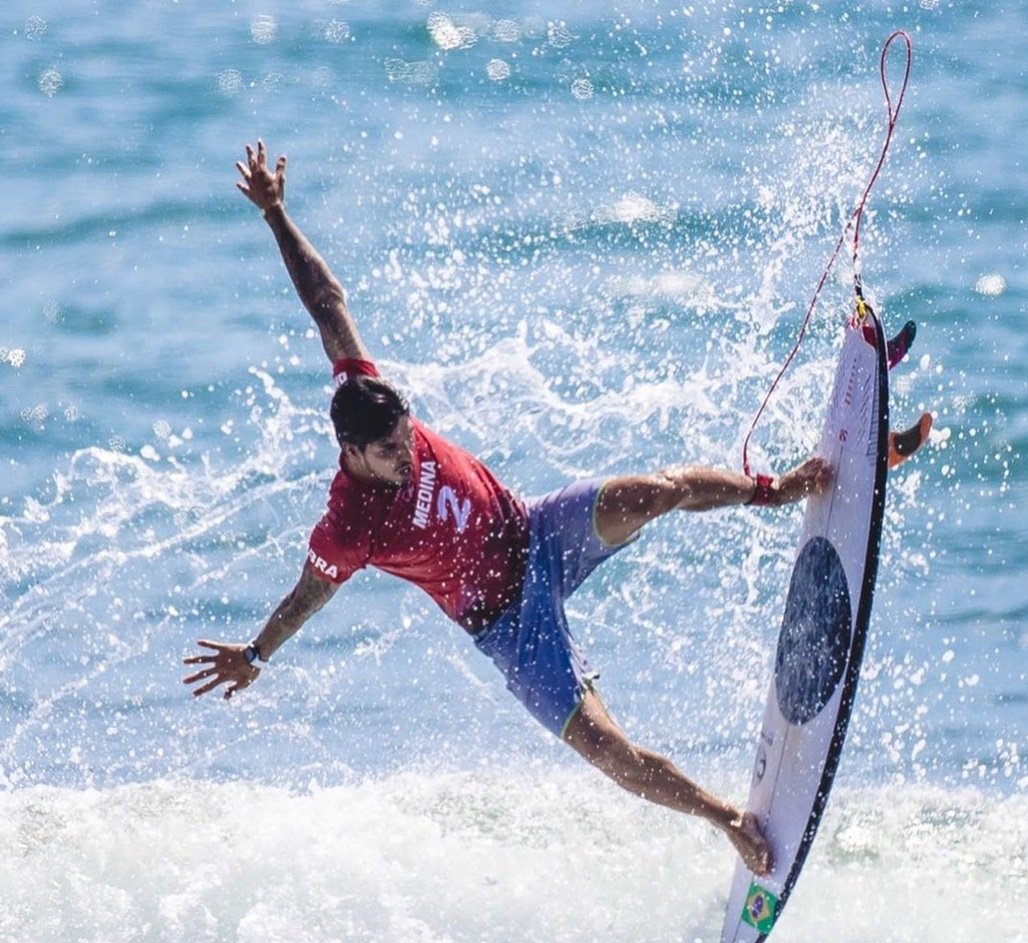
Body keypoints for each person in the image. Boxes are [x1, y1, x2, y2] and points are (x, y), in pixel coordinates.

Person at [184, 140, 832, 876]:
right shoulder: (348, 525)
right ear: (354, 455)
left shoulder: (364, 386)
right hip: (506, 623)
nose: (407, 452)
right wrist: (258, 653)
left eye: (408, 435)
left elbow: (326, 302)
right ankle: (726, 819)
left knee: (662, 490)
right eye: (391, 451)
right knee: (607, 751)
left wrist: (276, 213)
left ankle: (779, 490)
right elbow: (308, 596)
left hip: (535, 528)